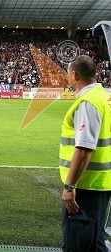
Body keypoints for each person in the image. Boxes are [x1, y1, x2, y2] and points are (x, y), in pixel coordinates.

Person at [60, 55, 111, 251]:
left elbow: (83, 149)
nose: (67, 78)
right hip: (101, 183)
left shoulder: (88, 102)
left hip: (86, 186)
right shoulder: (105, 97)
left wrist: (69, 185)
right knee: (96, 243)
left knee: (78, 245)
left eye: (68, 74)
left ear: (75, 74)